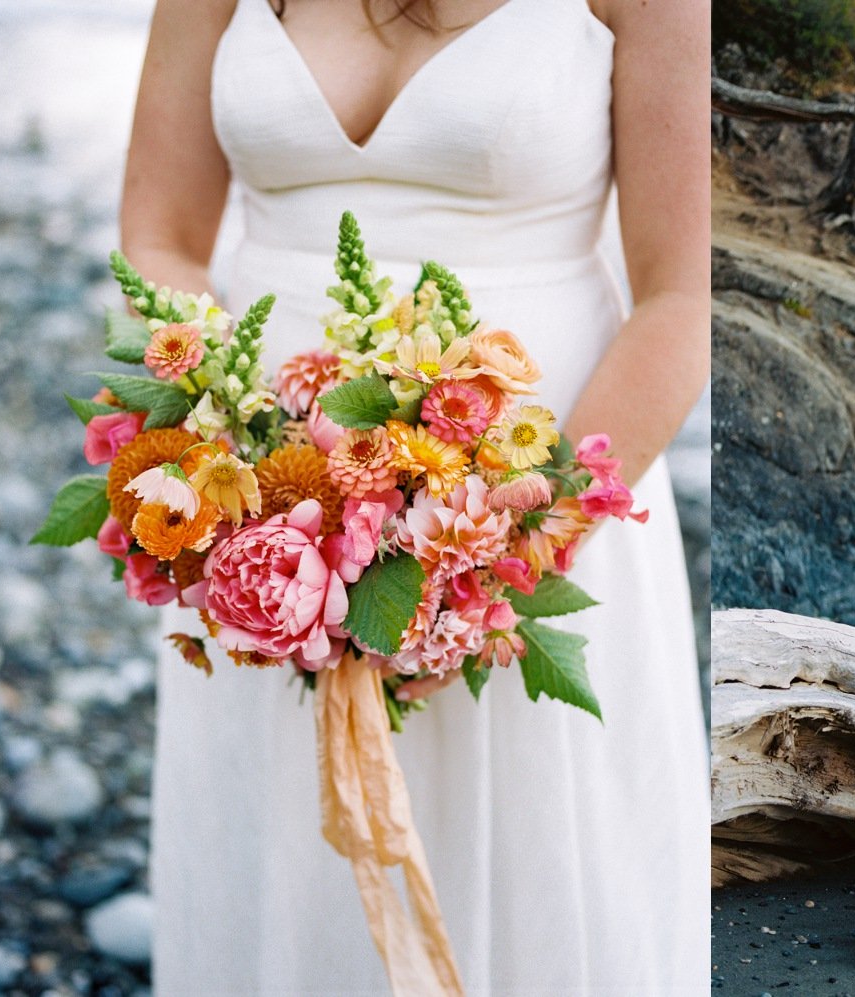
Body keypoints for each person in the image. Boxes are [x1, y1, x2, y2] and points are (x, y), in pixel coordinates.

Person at [120, 0, 710, 992]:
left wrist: (514, 545)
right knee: (284, 844)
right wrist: (235, 470)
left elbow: (680, 293)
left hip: (534, 482)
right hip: (264, 492)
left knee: (531, 849)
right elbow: (158, 236)